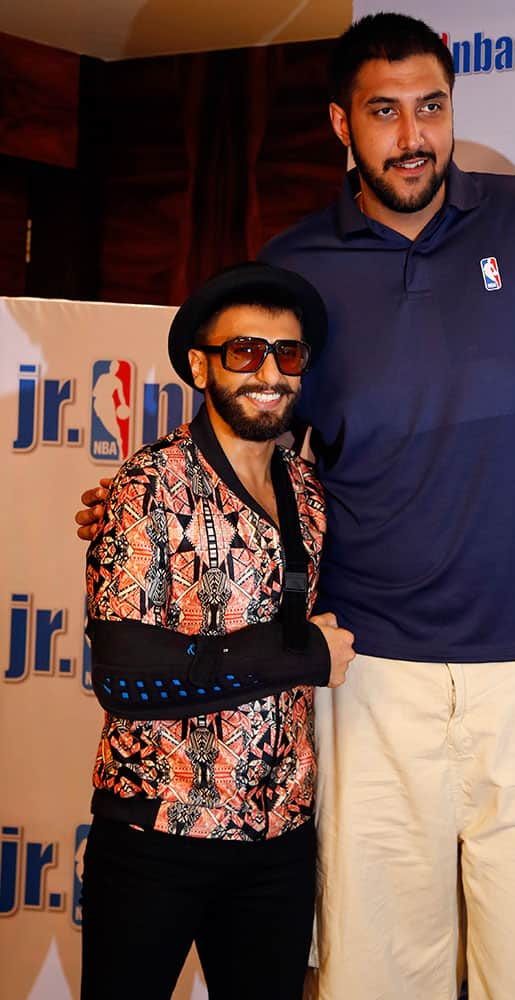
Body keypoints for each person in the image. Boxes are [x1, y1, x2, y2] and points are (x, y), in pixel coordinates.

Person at [77, 13, 515, 1000]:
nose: (412, 135)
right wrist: (140, 492)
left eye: (431, 106)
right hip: (371, 685)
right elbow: (249, 449)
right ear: (343, 126)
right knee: (377, 982)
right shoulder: (296, 267)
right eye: (384, 112)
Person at [80, 262, 355, 1000]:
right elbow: (125, 671)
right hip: (156, 837)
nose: (268, 371)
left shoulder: (307, 490)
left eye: (287, 354)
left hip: (279, 843)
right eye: (244, 352)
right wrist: (302, 654)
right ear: (201, 365)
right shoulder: (148, 485)